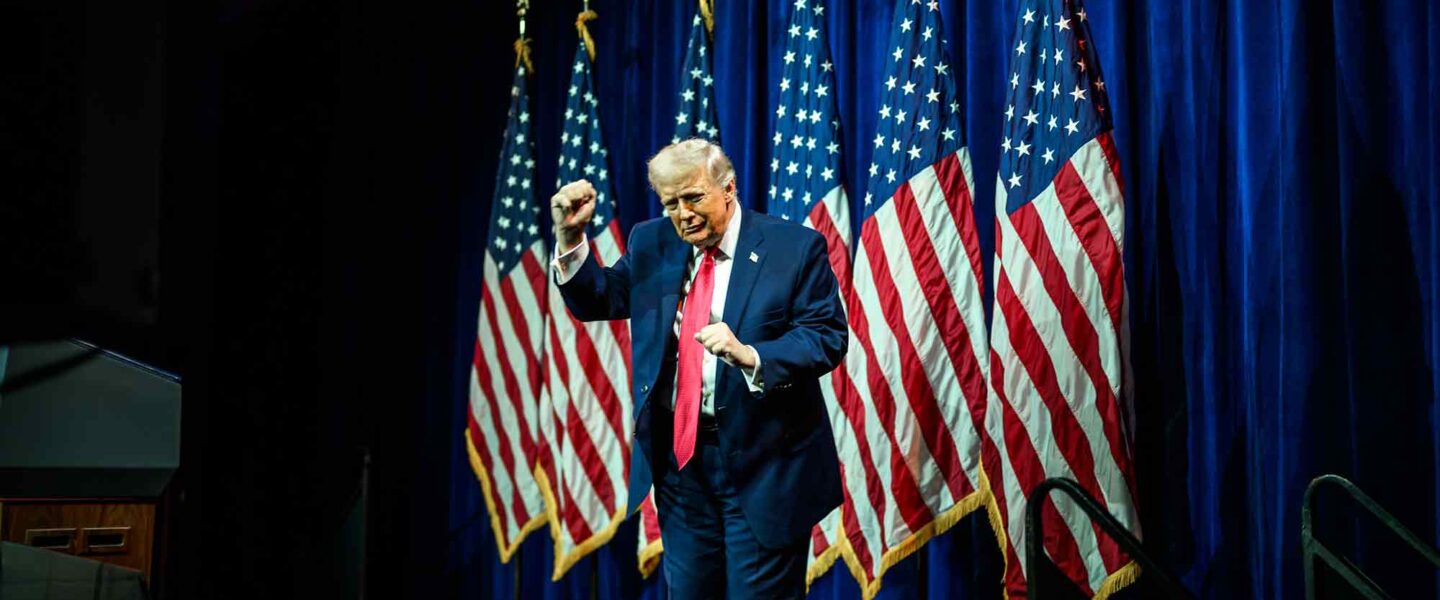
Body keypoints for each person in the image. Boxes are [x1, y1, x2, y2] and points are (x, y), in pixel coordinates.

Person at [549, 139, 846, 599]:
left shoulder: (793, 248)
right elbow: (600, 298)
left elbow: (826, 336)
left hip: (764, 464)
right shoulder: (653, 242)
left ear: (728, 188)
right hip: (682, 469)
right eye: (671, 204)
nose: (683, 214)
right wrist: (570, 240)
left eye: (693, 198)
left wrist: (752, 355)